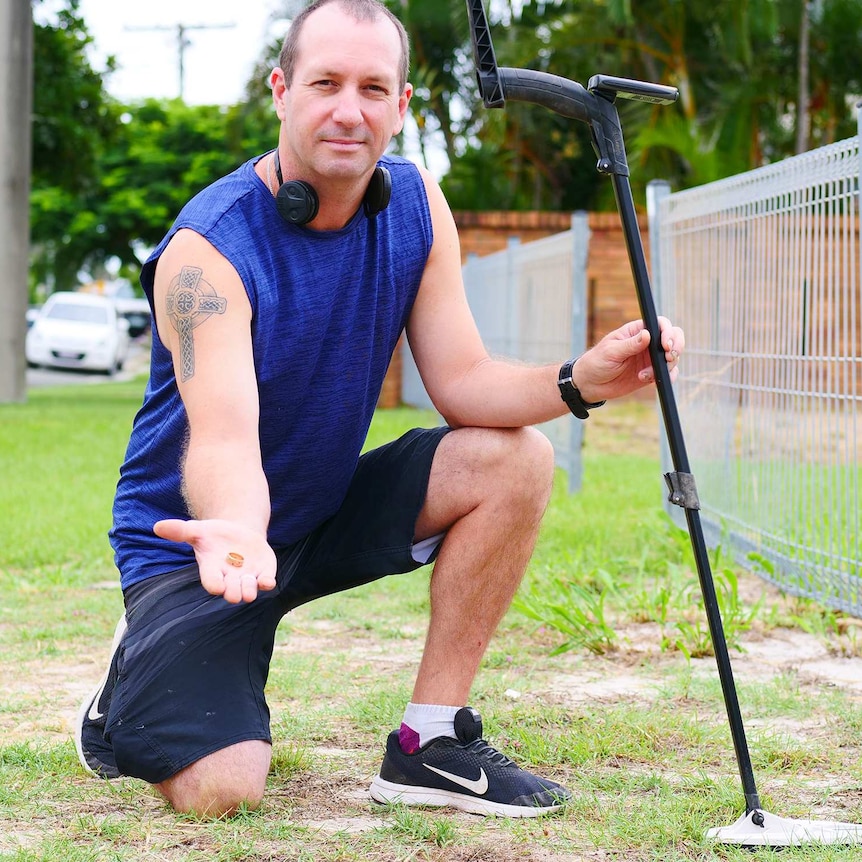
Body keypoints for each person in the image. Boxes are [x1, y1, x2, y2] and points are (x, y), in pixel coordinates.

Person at [75, 0, 685, 820]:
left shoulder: (415, 204)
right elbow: (221, 440)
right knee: (222, 791)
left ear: (401, 107)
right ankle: (132, 678)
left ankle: (428, 744)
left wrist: (582, 380)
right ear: (281, 90)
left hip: (319, 514)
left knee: (514, 457)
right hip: (207, 543)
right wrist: (240, 528)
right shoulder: (205, 253)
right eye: (325, 82)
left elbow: (463, 381)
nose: (347, 108)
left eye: (373, 88)